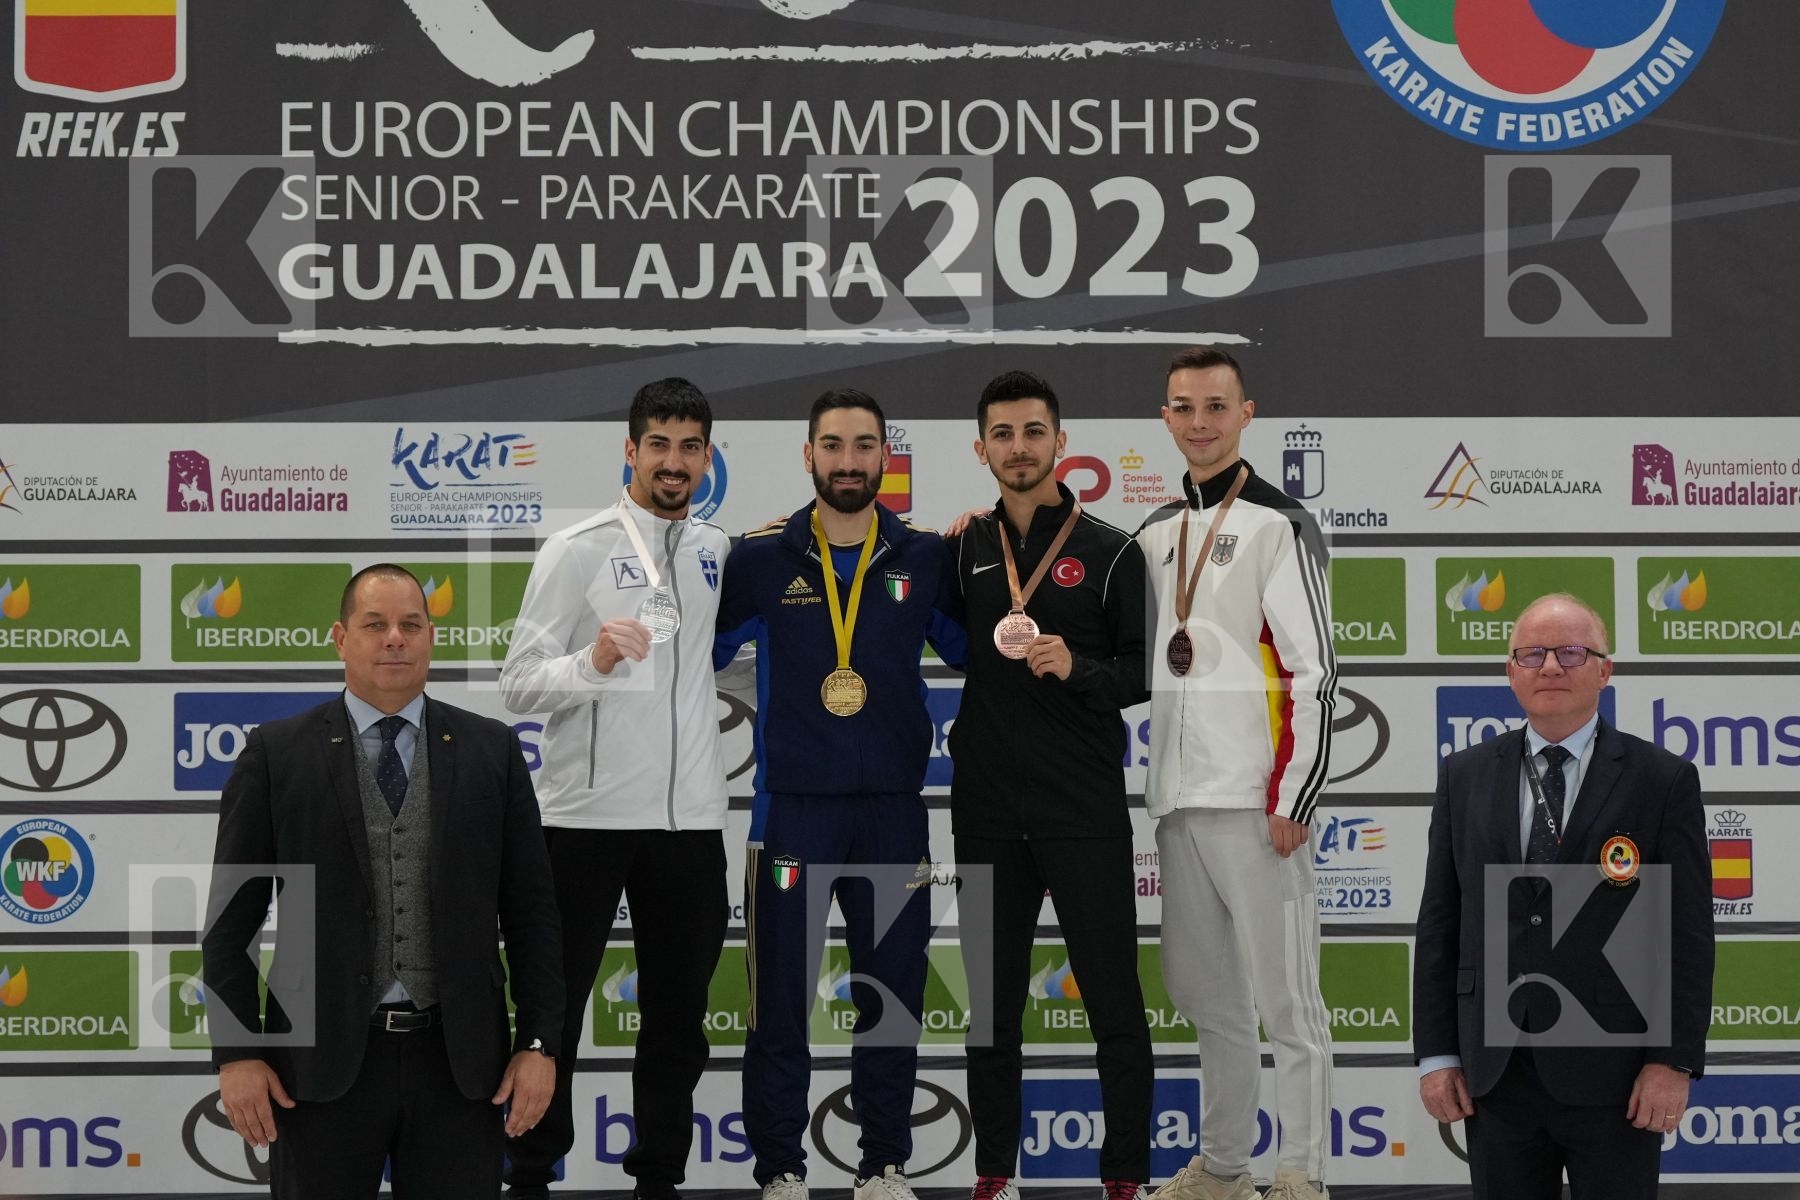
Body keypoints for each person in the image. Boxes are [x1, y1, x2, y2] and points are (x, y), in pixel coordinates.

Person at [203, 564, 563, 1200]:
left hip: (461, 1067)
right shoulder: (277, 754)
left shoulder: (492, 751)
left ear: (431, 638)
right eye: (376, 624)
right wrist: (237, 1052)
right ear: (341, 639)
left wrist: (538, 1042)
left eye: (410, 624)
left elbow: (534, 917)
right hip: (315, 1069)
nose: (394, 638)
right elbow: (230, 927)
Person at [714, 387, 967, 1200]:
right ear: (809, 455)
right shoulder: (758, 558)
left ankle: (884, 1165)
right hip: (791, 811)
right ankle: (781, 1170)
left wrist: (985, 549)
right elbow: (691, 655)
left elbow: (979, 649)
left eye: (864, 446)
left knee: (891, 998)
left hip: (895, 811)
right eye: (834, 446)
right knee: (780, 1005)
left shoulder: (926, 556)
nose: (849, 461)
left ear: (885, 456)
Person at [500, 377, 733, 1200]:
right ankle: (529, 1175)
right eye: (659, 445)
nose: (675, 462)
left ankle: (659, 1179)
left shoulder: (716, 550)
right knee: (551, 1018)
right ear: (630, 451)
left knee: (677, 1025)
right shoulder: (577, 547)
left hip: (690, 828)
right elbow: (519, 684)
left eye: (690, 446)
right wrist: (593, 663)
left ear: (708, 457)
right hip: (583, 824)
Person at [1413, 593, 1712, 1199]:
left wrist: (1673, 1060)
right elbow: (1441, 921)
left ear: (1604, 670)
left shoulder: (1662, 779)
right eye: (1532, 653)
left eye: (1572, 651)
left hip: (1617, 1072)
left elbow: (1686, 934)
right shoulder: (1463, 775)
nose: (1550, 666)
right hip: (1496, 1071)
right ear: (1510, 671)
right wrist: (1436, 1054)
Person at [947, 370, 1154, 1200]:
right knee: (991, 1013)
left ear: (1061, 443)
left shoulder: (1113, 551)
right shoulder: (959, 547)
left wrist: (1080, 669)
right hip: (988, 815)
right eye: (1002, 434)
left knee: (1115, 1008)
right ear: (981, 448)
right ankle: (995, 1172)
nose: (1019, 448)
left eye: (1034, 432)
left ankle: (1126, 1178)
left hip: (1084, 812)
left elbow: (1148, 673)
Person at [1137, 347, 1337, 1200]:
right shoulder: (1150, 534)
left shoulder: (1279, 523)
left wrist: (1292, 793)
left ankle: (1299, 1173)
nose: (1200, 422)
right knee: (1205, 998)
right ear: (1166, 418)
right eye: (1184, 407)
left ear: (1246, 413)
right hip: (1177, 804)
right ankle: (1222, 1166)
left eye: (1216, 406)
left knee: (1289, 1004)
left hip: (1261, 807)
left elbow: (1313, 671)